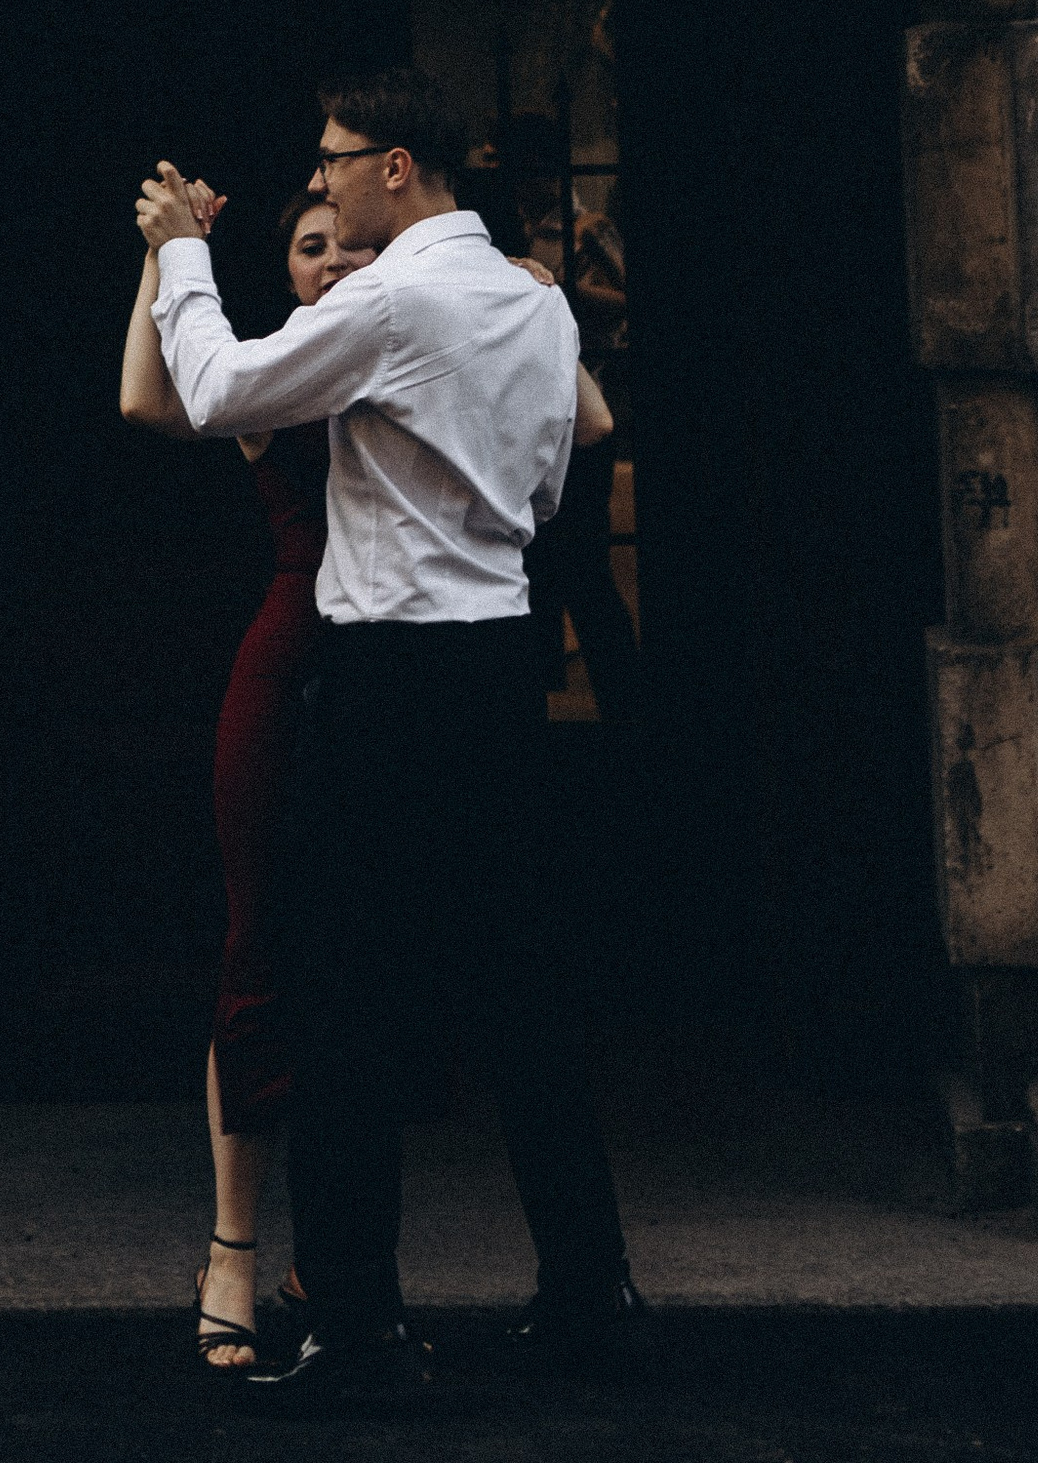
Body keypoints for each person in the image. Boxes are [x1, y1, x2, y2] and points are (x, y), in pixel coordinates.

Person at [139, 72, 641, 1419]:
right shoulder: (536, 307)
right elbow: (547, 485)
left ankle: (355, 1314)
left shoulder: (399, 295)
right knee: (521, 991)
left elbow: (219, 386)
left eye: (336, 159)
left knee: (348, 993)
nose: (326, 180)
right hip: (498, 663)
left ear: (397, 168)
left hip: (389, 676)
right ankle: (591, 1290)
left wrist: (180, 250)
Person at [121, 182, 377, 1368]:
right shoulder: (273, 369)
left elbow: (580, 430)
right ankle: (231, 1244)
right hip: (286, 668)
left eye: (353, 245)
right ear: (284, 274)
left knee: (366, 962)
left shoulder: (410, 350)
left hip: (394, 671)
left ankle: (336, 1261)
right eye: (310, 250)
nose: (332, 264)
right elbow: (144, 396)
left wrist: (532, 296)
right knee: (258, 951)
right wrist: (166, 257)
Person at [493, 121, 641, 727]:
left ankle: (625, 703)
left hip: (581, 406)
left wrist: (562, 294)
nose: (524, 183)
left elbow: (631, 293)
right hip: (520, 424)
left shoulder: (589, 228)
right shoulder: (518, 229)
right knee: (532, 565)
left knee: (583, 566)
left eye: (528, 168)